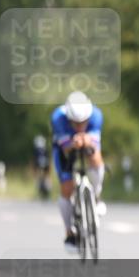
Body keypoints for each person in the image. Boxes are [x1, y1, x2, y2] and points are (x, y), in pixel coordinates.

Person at [51, 91, 107, 247]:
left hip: (87, 142)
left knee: (95, 158)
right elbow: (66, 149)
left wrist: (87, 141)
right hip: (64, 147)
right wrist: (73, 143)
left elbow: (94, 145)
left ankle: (96, 196)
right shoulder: (58, 118)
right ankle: (69, 232)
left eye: (84, 122)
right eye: (75, 123)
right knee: (66, 188)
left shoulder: (96, 115)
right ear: (69, 118)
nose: (80, 126)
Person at [33, 134, 51, 199]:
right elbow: (48, 160)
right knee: (46, 177)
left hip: (39, 166)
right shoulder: (45, 149)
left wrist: (34, 170)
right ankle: (47, 188)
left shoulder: (36, 150)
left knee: (40, 178)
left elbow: (34, 161)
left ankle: (42, 188)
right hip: (44, 166)